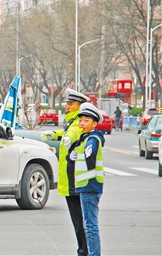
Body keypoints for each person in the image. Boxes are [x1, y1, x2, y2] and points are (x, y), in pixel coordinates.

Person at [40, 88, 90, 256]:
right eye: (67, 103)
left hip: (74, 180)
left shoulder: (79, 122)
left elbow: (76, 132)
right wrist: (55, 134)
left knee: (80, 221)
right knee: (78, 220)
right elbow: (69, 132)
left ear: (80, 106)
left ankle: (84, 251)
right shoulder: (72, 121)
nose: (67, 107)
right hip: (70, 179)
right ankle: (83, 250)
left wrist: (69, 137)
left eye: (71, 104)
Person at [68, 102, 105, 256]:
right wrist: (71, 155)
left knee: (90, 226)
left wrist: (87, 154)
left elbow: (91, 151)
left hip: (90, 186)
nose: (82, 123)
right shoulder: (84, 138)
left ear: (94, 123)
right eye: (81, 120)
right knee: (88, 225)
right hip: (85, 186)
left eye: (86, 121)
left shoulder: (93, 138)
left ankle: (94, 254)